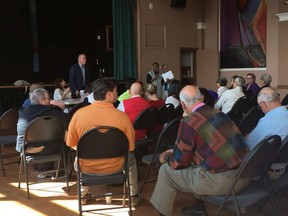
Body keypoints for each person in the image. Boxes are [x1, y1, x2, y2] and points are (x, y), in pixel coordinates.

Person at [150, 85, 249, 216]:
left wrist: (166, 158)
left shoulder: (189, 121)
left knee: (166, 171)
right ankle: (198, 208)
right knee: (199, 162)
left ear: (183, 105)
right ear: (201, 98)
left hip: (223, 183)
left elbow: (178, 163)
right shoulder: (219, 113)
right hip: (244, 176)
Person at [66, 78, 141, 206]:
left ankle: (83, 195)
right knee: (131, 160)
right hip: (116, 165)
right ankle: (133, 195)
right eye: (116, 91)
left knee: (79, 158)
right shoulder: (122, 117)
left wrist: (89, 151)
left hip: (87, 166)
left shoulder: (79, 114)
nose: (117, 94)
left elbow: (71, 143)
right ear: (109, 94)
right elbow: (130, 147)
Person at [16, 88, 70, 179]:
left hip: (26, 148)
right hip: (46, 148)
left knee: (43, 140)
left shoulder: (23, 112)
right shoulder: (52, 112)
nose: (50, 101)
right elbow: (69, 120)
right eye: (48, 99)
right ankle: (59, 173)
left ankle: (44, 172)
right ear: (41, 101)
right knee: (63, 140)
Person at [245, 87, 288, 179]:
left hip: (266, 171)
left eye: (260, 106)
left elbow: (248, 146)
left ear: (264, 104)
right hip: (284, 166)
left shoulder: (267, 120)